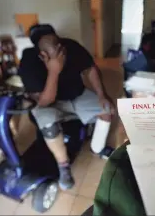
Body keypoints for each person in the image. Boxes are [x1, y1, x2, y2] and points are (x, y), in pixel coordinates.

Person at [18, 24, 115, 190]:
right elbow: (44, 102)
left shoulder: (71, 46)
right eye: (55, 51)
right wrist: (54, 71)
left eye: (60, 46)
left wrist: (101, 94)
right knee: (47, 122)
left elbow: (90, 69)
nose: (62, 51)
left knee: (108, 110)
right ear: (42, 55)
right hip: (49, 103)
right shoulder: (28, 60)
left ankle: (97, 147)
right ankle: (63, 167)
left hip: (76, 96)